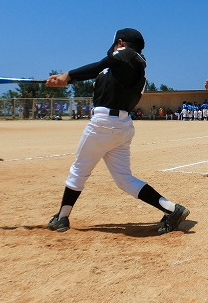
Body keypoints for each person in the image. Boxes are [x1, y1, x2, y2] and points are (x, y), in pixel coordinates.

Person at [44, 28, 189, 234]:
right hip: (122, 126)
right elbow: (103, 73)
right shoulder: (134, 65)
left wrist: (68, 75)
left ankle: (62, 217)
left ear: (120, 42)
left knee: (79, 171)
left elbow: (101, 65)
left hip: (103, 124)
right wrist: (66, 80)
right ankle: (172, 209)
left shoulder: (127, 55)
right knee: (124, 179)